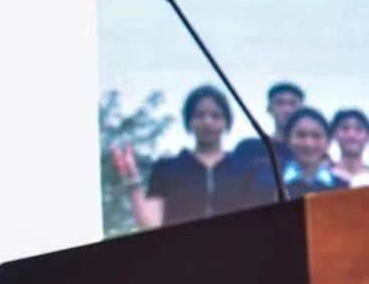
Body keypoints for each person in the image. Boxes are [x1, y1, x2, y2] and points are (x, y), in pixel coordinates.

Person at [111, 85, 255, 228]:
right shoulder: (167, 168)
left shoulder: (245, 169)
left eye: (215, 116)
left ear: (226, 122)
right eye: (199, 115)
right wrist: (132, 180)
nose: (207, 122)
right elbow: (151, 223)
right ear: (189, 121)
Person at [232, 81, 304, 169]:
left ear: (302, 109)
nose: (286, 110)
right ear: (269, 109)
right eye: (280, 103)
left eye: (292, 104)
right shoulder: (249, 149)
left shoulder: (311, 153)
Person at [281, 107, 349, 198]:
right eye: (301, 135)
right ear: (287, 139)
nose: (308, 144)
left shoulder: (343, 188)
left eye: (316, 136)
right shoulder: (271, 181)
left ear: (328, 142)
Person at [331, 108, 369, 187]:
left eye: (358, 129)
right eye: (345, 128)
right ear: (334, 134)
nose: (351, 134)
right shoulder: (324, 178)